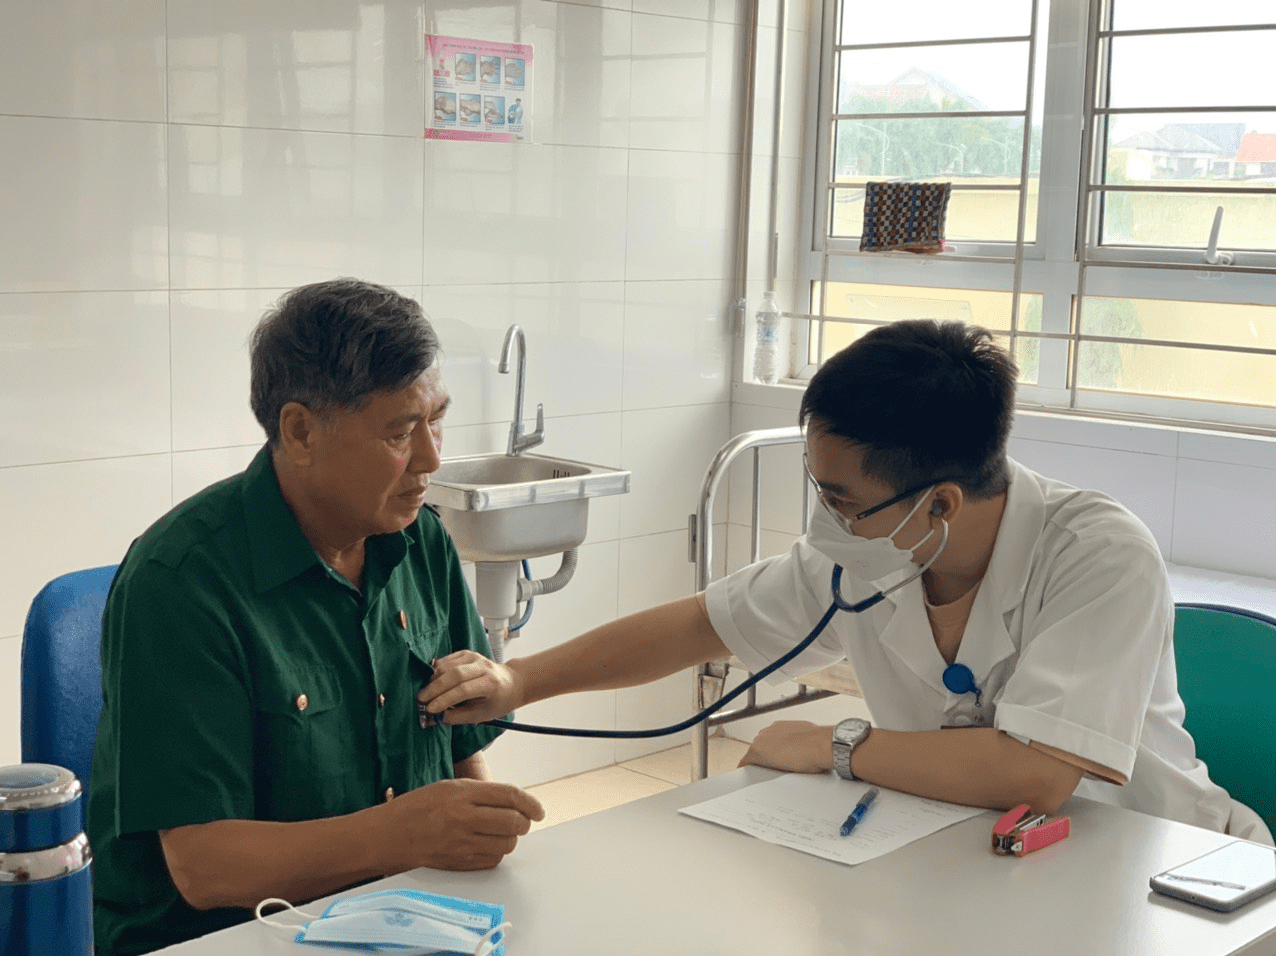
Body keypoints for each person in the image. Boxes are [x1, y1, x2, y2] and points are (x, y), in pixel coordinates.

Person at [421, 319, 1272, 846]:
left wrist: (837, 745)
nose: (825, 519)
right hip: (969, 851)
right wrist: (520, 680)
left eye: (842, 499)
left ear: (940, 502)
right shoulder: (876, 550)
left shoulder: (1097, 554)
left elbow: (1034, 773)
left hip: (1164, 870)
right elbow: (700, 625)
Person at [88, 279, 545, 956]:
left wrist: (489, 853)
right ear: (300, 431)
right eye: (401, 432)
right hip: (220, 938)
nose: (431, 459)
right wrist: (403, 834)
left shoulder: (419, 539)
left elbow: (459, 753)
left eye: (436, 421)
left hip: (394, 918)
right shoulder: (181, 584)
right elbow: (205, 868)